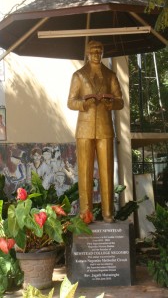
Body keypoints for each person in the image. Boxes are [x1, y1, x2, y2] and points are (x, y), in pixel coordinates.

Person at [67, 40, 124, 223]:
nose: (96, 53)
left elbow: (120, 101)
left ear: (103, 52)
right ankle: (86, 214)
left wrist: (111, 103)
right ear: (87, 52)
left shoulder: (110, 75)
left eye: (99, 50)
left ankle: (108, 213)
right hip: (84, 129)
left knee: (107, 172)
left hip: (105, 128)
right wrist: (84, 103)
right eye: (93, 50)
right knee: (85, 173)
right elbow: (70, 102)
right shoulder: (79, 75)